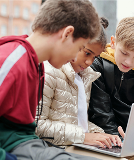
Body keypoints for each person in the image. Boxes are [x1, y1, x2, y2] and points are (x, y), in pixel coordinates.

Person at [0, 0, 103, 160]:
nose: (75, 57)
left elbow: (25, 131)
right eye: (79, 47)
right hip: (9, 150)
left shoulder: (36, 65)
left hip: (25, 144)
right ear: (67, 34)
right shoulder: (11, 60)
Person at [36, 17, 123, 149]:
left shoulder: (84, 76)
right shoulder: (49, 72)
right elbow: (37, 126)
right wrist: (83, 136)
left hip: (77, 144)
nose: (89, 62)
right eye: (87, 53)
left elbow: (78, 123)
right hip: (57, 148)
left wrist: (103, 135)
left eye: (94, 57)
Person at [88, 16, 134, 160]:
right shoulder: (97, 66)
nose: (128, 61)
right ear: (113, 42)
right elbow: (101, 113)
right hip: (106, 139)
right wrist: (119, 142)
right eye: (124, 53)